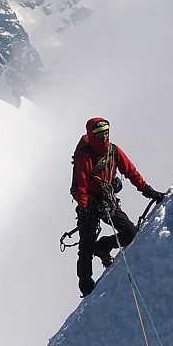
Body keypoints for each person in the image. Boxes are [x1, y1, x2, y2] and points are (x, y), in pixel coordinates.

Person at [70, 116, 165, 295]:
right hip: (90, 204)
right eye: (99, 134)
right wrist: (84, 208)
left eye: (106, 133)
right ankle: (86, 285)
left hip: (106, 200)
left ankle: (104, 245)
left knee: (131, 233)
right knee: (86, 246)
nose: (104, 137)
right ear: (91, 135)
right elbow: (79, 186)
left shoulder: (113, 151)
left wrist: (148, 191)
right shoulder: (84, 155)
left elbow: (130, 171)